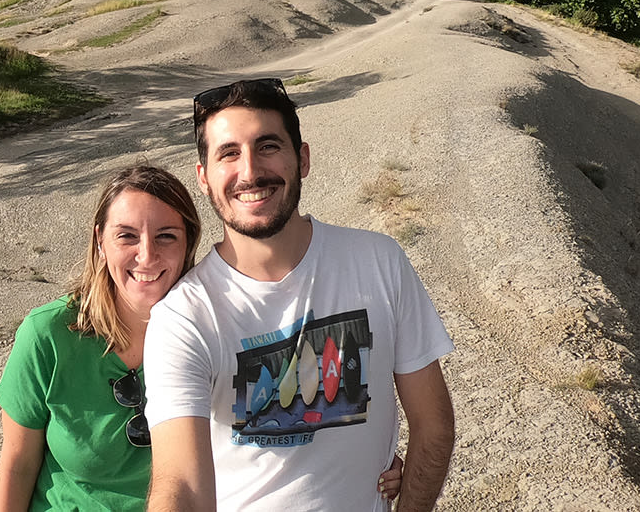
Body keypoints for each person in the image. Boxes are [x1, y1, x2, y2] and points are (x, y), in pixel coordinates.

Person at [0, 163, 406, 511]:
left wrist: (366, 454)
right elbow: (17, 465)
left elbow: (289, 412)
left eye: (166, 236)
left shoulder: (215, 323)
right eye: (126, 236)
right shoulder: (48, 335)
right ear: (100, 242)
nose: (147, 255)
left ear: (190, 242)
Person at [144, 79, 456, 512]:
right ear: (204, 178)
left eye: (268, 146)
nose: (250, 171)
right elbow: (179, 483)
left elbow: (433, 425)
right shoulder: (184, 317)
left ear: (302, 158)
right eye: (229, 153)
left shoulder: (378, 262)